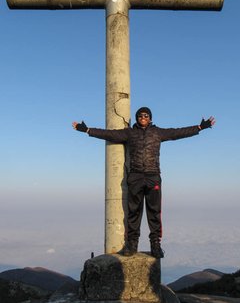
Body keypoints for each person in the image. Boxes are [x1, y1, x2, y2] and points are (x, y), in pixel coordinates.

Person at [72, 107, 215, 259]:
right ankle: (132, 244)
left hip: (153, 176)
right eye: (140, 115)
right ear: (137, 118)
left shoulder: (158, 132)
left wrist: (199, 127)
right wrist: (87, 130)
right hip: (135, 177)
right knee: (134, 212)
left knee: (154, 213)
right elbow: (109, 134)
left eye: (146, 115)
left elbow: (177, 133)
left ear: (150, 118)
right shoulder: (129, 133)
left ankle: (155, 245)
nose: (143, 117)